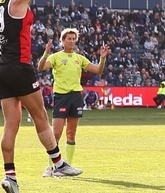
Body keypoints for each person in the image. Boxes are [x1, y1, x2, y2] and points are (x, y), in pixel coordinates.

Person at [0, 0, 82, 193]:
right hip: (19, 67)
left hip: (2, 68)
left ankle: (10, 176)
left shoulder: (6, 3)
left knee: (12, 124)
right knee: (40, 115)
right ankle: (58, 163)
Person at [37, 28, 110, 177]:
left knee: (71, 133)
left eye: (73, 38)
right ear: (63, 41)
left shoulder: (80, 58)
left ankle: (65, 169)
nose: (71, 41)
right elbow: (41, 67)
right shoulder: (56, 57)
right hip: (61, 97)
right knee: (56, 133)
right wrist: (46, 53)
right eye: (69, 38)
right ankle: (50, 167)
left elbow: (97, 70)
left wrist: (102, 58)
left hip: (75, 96)